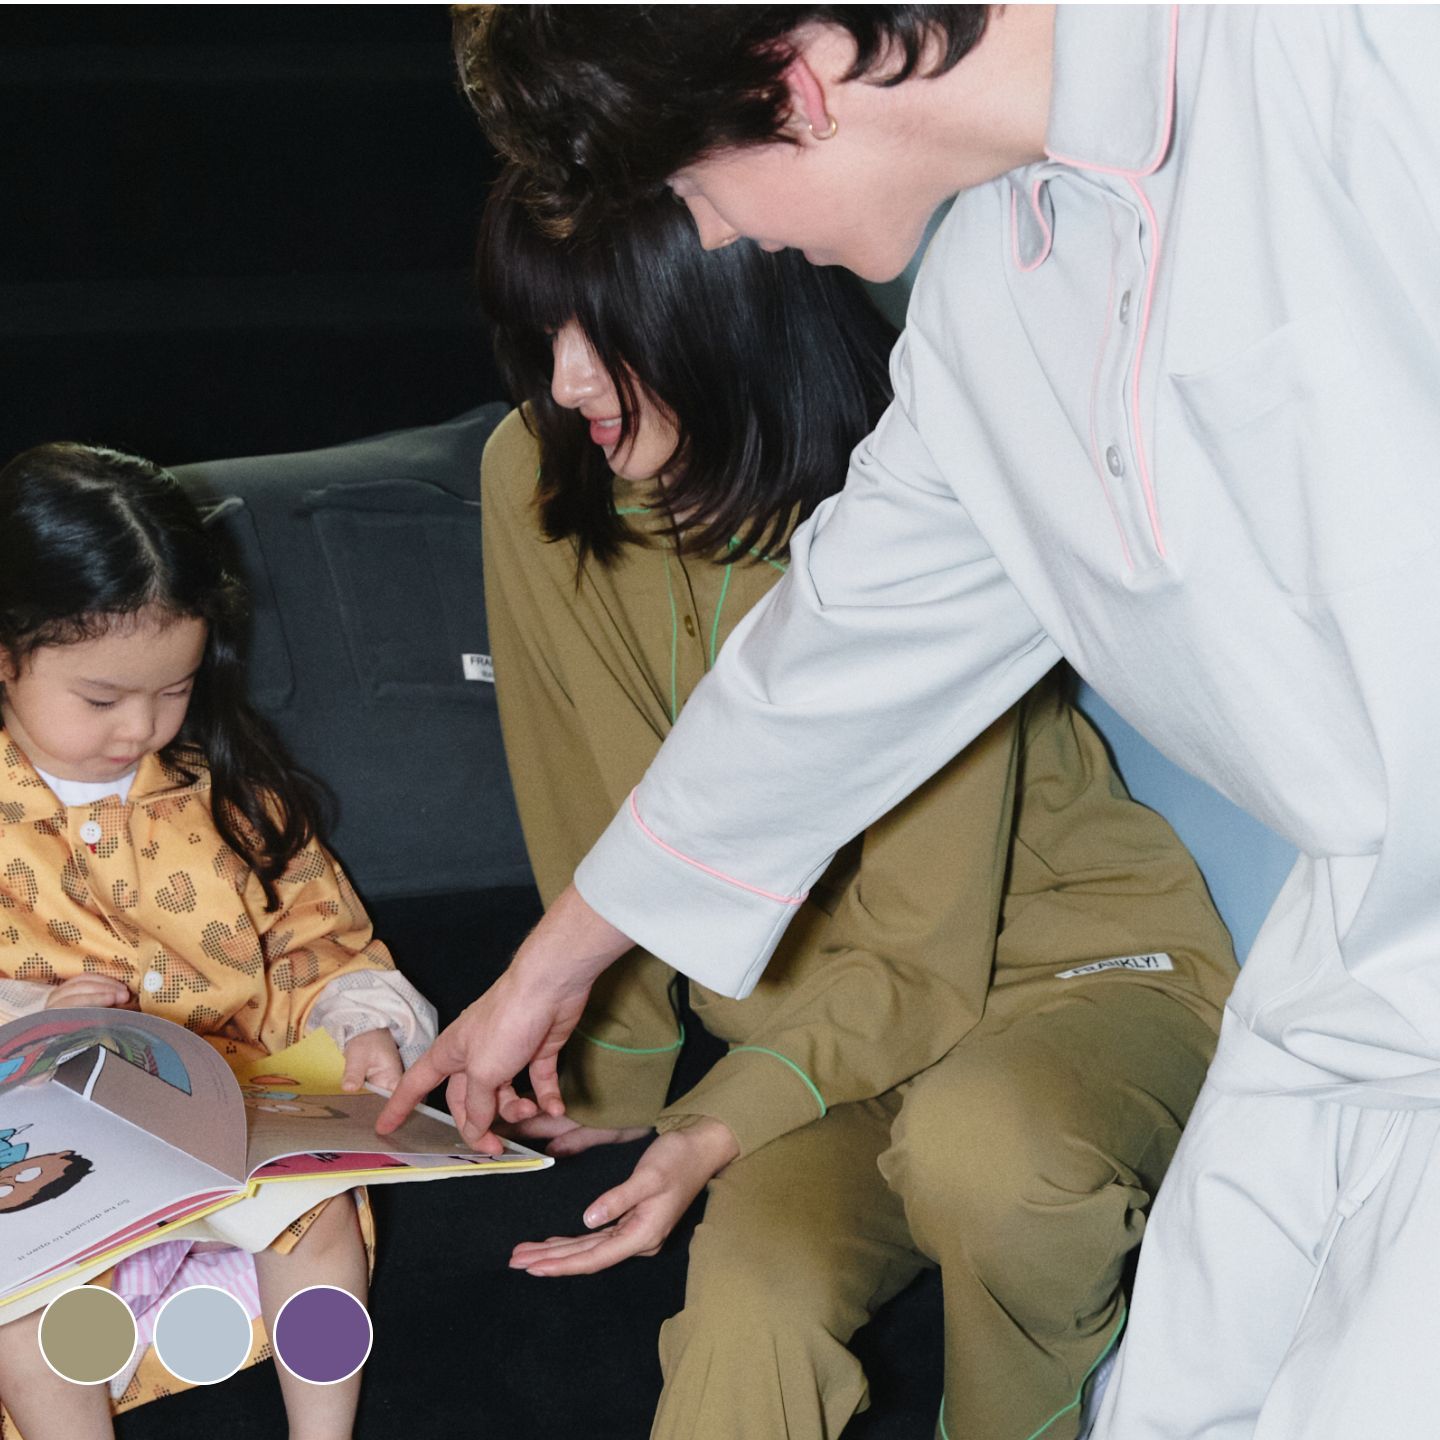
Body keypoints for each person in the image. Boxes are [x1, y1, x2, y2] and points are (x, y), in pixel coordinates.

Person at [380, 7, 1440, 1437]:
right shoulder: (993, 294)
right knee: (1176, 1400)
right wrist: (552, 970)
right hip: (1354, 966)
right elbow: (828, 662)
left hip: (1363, 952)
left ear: (793, 83)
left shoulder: (1354, 52)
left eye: (690, 189)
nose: (716, 238)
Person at [472, 170, 1234, 1439]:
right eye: (541, 327)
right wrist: (607, 1066)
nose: (566, 380)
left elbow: (927, 951)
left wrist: (721, 1120)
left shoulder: (919, 502)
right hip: (829, 1028)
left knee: (982, 1153)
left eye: (605, 329)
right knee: (751, 1310)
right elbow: (583, 791)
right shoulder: (540, 473)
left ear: (725, 305)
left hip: (1073, 981)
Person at [0, 442, 438, 1440]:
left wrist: (364, 1026)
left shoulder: (230, 794)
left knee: (319, 1223)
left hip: (230, 1126)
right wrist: (32, 1020)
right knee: (22, 1311)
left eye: (176, 689)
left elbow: (326, 946)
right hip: (43, 1161)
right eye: (103, 699)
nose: (142, 728)